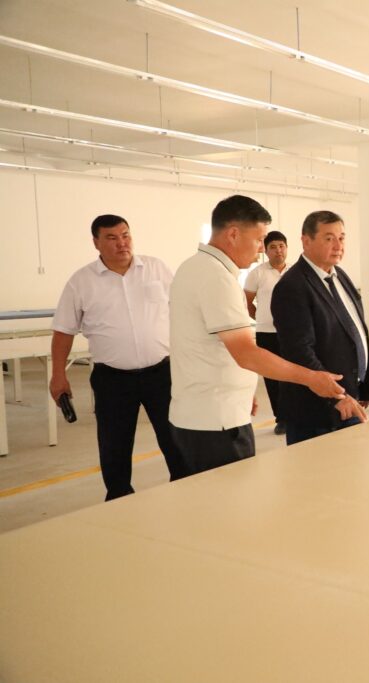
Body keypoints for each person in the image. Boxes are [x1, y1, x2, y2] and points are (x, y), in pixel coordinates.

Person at [168, 195, 345, 475]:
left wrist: (243, 389)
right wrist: (312, 378)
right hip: (217, 423)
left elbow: (214, 346)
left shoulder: (194, 267)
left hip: (203, 414)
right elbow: (247, 353)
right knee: (228, 498)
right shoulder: (216, 277)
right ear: (233, 234)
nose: (262, 249)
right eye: (259, 239)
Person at [50, 214, 187, 501]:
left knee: (177, 438)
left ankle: (187, 490)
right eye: (111, 238)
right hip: (113, 379)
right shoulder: (81, 282)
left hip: (162, 374)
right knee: (114, 446)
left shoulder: (156, 268)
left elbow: (183, 314)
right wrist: (59, 375)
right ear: (96, 243)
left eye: (125, 235)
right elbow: (63, 331)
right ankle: (119, 498)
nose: (121, 243)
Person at [271, 211, 369, 445]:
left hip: (350, 397)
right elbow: (298, 351)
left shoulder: (339, 275)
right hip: (318, 410)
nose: (338, 245)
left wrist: (362, 384)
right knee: (317, 468)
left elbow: (356, 331)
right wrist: (336, 397)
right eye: (329, 238)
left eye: (342, 238)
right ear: (306, 241)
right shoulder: (292, 286)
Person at [244, 230, 289, 435]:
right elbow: (247, 302)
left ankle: (297, 415)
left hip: (292, 332)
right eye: (273, 247)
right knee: (273, 377)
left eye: (281, 246)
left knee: (293, 375)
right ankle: (281, 418)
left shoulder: (295, 271)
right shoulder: (257, 273)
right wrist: (261, 318)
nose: (278, 250)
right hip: (266, 333)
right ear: (266, 250)